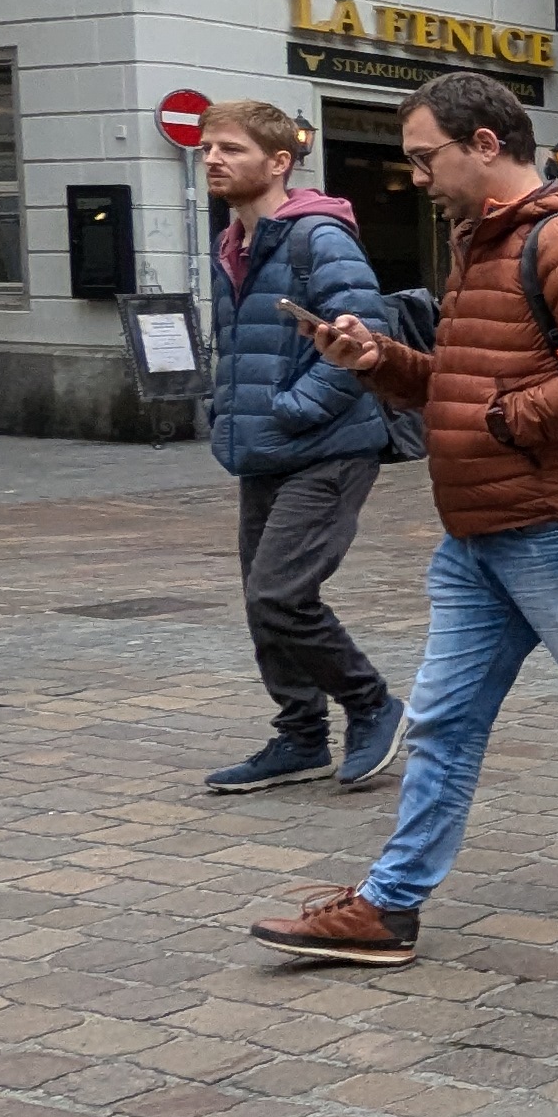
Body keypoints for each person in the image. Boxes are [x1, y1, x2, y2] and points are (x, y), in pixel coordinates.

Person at [244, 71, 558, 966]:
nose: (417, 177)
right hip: (479, 533)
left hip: (555, 525)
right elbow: (458, 385)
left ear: (485, 144)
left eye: (427, 159)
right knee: (443, 722)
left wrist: (505, 420)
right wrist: (377, 358)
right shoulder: (479, 242)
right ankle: (390, 904)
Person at [197, 99, 403, 796]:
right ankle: (300, 736)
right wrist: (227, 410)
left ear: (279, 162)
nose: (214, 160)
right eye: (207, 149)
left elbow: (362, 338)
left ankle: (372, 703)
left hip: (328, 448)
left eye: (231, 149)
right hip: (261, 448)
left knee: (282, 593)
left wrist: (292, 410)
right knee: (262, 602)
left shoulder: (319, 236)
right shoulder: (234, 244)